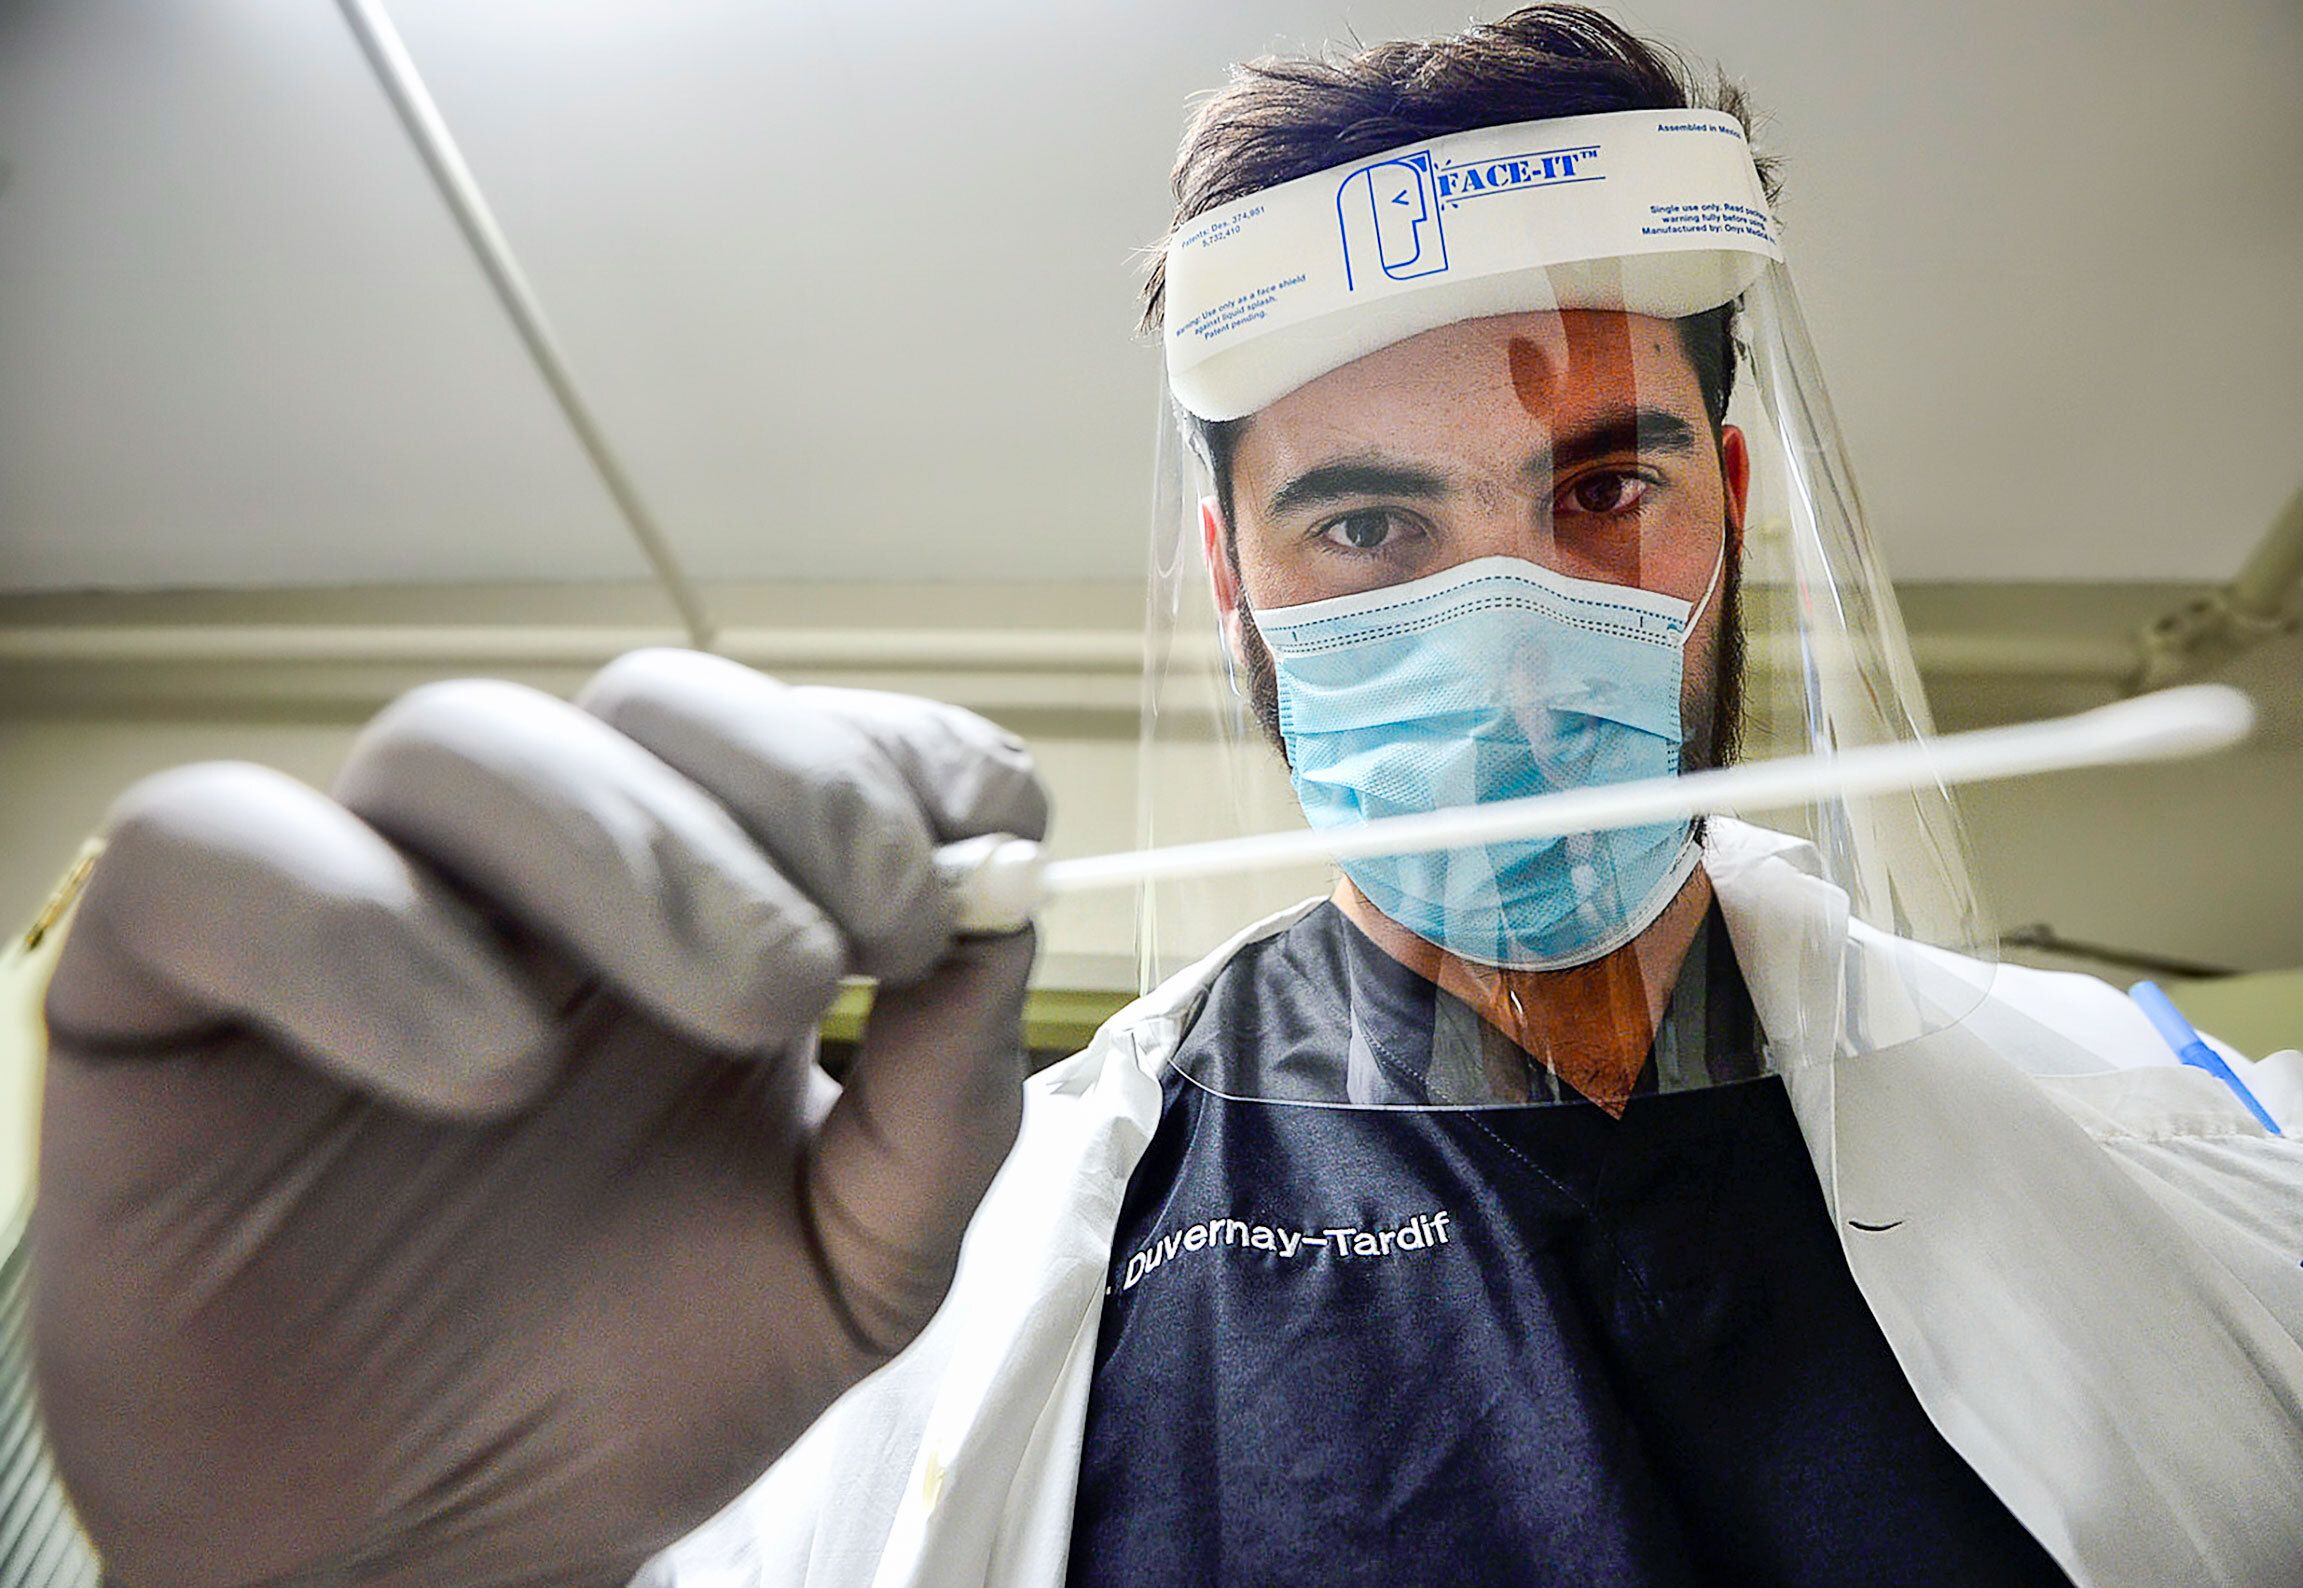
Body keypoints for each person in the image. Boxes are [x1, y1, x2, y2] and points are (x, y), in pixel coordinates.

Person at [27, 9, 2303, 1587]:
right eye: (1375, 527)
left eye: (1604, 484)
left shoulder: (2181, 1140)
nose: (1512, 624)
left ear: (1731, 504)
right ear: (1232, 570)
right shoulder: (970, 1273)